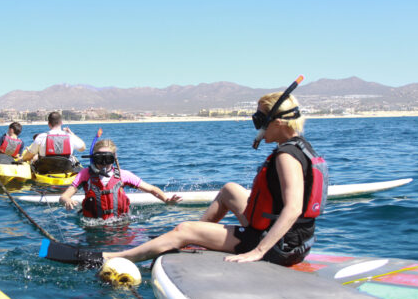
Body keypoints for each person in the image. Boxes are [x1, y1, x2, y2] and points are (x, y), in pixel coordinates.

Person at [93, 90, 328, 267]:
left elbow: (294, 208)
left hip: (277, 246)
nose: (256, 125)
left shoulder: (285, 156)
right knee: (230, 190)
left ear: (277, 123)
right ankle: (201, 237)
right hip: (296, 242)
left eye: (260, 120)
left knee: (184, 228)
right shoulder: (300, 147)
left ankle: (113, 257)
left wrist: (259, 251)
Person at [59, 139, 182, 219]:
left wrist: (166, 200)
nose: (103, 163)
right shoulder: (85, 174)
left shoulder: (123, 175)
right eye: (99, 159)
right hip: (93, 226)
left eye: (108, 159)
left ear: (114, 158)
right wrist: (67, 201)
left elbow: (151, 189)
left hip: (120, 224)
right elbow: (63, 196)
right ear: (93, 158)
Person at [20, 112, 86, 173]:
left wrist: (23, 158)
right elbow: (83, 148)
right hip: (66, 170)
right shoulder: (70, 137)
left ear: (49, 124)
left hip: (45, 171)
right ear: (61, 123)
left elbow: (28, 156)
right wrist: (71, 133)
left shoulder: (41, 137)